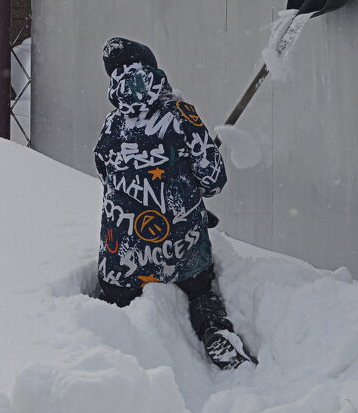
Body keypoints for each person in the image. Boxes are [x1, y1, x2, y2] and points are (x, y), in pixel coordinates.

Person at [93, 36, 255, 370]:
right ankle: (212, 328)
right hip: (180, 251)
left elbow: (105, 172)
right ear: (154, 71)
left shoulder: (112, 123)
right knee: (200, 287)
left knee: (117, 298)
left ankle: (116, 341)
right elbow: (213, 180)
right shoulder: (181, 115)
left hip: (120, 260)